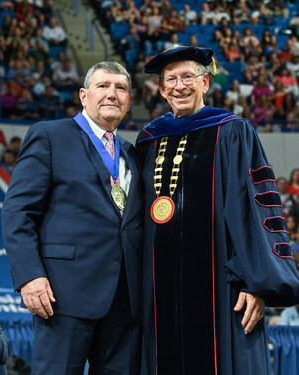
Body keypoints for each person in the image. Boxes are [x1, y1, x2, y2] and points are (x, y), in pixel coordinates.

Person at [135, 45, 299, 375]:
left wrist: (256, 283)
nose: (179, 86)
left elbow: (255, 209)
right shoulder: (147, 140)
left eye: (187, 77)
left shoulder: (232, 131)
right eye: (171, 80)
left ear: (205, 82)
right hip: (156, 286)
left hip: (221, 284)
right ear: (162, 89)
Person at [2, 61, 143, 375]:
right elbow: (17, 211)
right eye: (103, 86)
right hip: (62, 297)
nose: (112, 94)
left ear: (129, 101)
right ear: (83, 95)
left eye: (121, 88)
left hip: (125, 302)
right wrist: (29, 277)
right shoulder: (50, 136)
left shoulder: (132, 154)